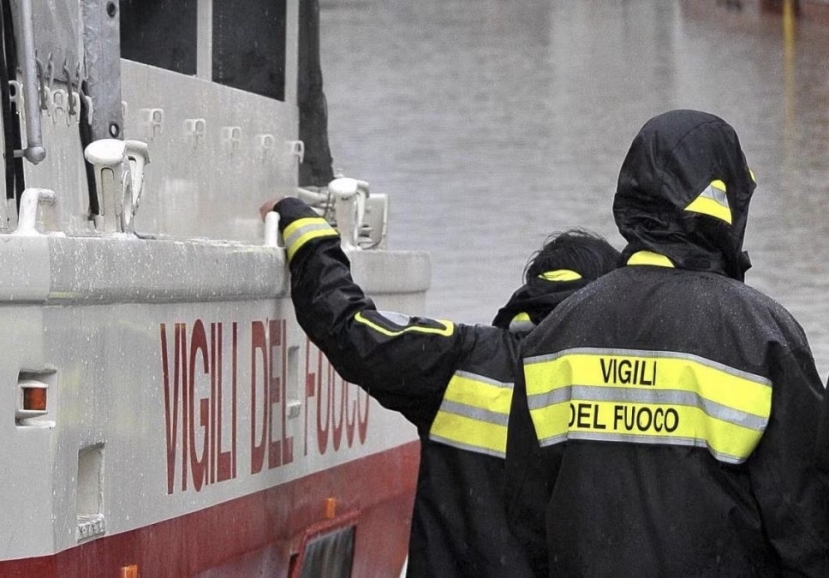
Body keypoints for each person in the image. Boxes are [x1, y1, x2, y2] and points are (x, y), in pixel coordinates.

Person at [505, 109, 829, 576]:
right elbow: (804, 526)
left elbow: (528, 519)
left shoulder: (554, 335)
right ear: (723, 204)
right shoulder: (761, 334)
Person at [262, 195, 619, 577]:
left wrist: (309, 235)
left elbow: (350, 328)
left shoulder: (462, 358)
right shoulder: (626, 391)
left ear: (531, 292)